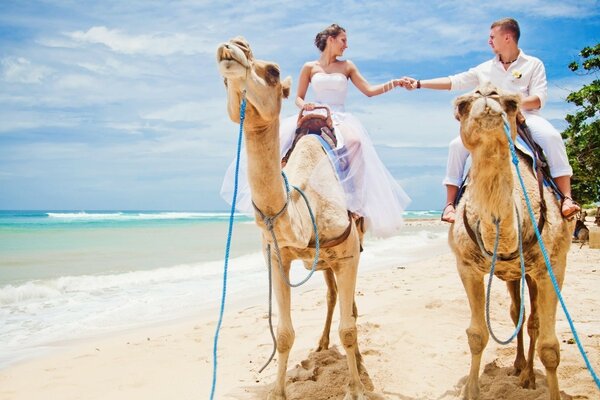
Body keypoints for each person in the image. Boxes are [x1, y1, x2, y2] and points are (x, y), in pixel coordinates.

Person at [221, 23, 411, 237]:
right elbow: (298, 98)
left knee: (356, 143)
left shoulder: (347, 66)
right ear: (330, 39)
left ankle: (355, 205)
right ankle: (281, 200)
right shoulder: (309, 67)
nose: (346, 46)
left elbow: (369, 90)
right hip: (315, 111)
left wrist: (394, 83)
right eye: (343, 40)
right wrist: (305, 106)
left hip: (339, 116)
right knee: (282, 144)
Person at [402, 17, 580, 223]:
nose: (489, 41)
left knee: (552, 136)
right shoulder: (485, 68)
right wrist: (418, 84)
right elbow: (454, 81)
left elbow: (538, 100)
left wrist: (506, 102)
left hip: (525, 118)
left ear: (507, 37)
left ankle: (566, 198)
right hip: (490, 123)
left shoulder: (533, 64)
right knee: (455, 145)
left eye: (492, 37)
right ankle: (450, 205)